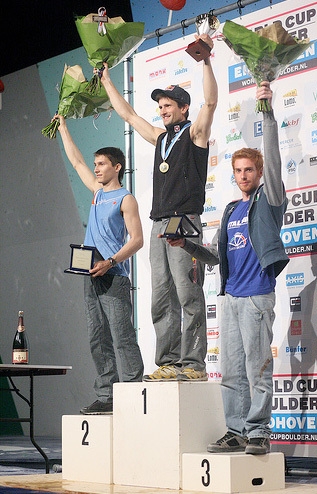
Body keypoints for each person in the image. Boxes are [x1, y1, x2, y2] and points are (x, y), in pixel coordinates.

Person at [167, 81, 289, 454]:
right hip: (231, 299)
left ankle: (258, 432)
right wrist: (185, 244)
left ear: (259, 172)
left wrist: (267, 112)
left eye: (249, 169)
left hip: (255, 299)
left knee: (257, 371)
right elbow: (218, 258)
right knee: (231, 374)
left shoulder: (269, 202)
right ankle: (235, 430)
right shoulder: (232, 210)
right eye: (238, 170)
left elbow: (274, 155)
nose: (243, 175)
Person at [98, 33, 218, 382]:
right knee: (161, 295)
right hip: (157, 224)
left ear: (183, 108)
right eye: (161, 106)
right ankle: (168, 361)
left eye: (169, 105)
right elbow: (130, 115)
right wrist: (107, 80)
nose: (163, 110)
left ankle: (193, 364)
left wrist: (205, 61)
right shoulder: (160, 137)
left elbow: (209, 103)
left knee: (188, 293)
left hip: (185, 222)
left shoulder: (195, 134)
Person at [54, 114, 144, 414]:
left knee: (121, 336)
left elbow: (137, 240)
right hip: (88, 274)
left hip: (114, 275)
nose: (96, 168)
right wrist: (64, 128)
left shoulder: (125, 198)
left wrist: (110, 261)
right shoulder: (96, 192)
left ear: (116, 167)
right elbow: (76, 162)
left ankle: (132, 392)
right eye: (97, 165)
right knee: (97, 337)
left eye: (102, 164)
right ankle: (107, 395)